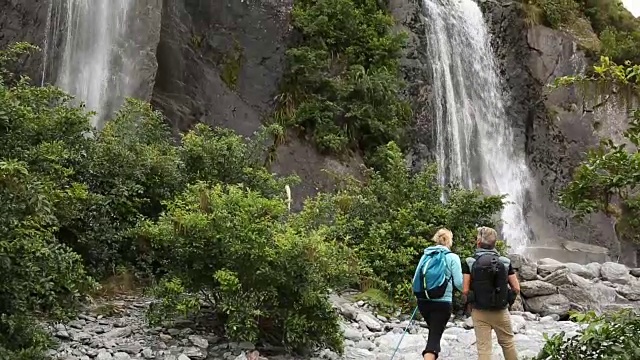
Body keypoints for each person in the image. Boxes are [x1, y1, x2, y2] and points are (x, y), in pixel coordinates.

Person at [462, 227, 521, 360]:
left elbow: (465, 290)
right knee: (508, 343)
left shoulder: (469, 262)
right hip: (501, 310)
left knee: (484, 348)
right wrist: (508, 300)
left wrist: (469, 301)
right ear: (495, 243)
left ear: (478, 242)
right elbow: (516, 288)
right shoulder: (505, 262)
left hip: (479, 310)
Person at [411, 228, 463, 360]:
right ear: (450, 241)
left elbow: (416, 277)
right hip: (442, 303)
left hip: (423, 302)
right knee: (433, 340)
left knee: (434, 333)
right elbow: (459, 283)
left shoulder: (426, 255)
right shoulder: (452, 257)